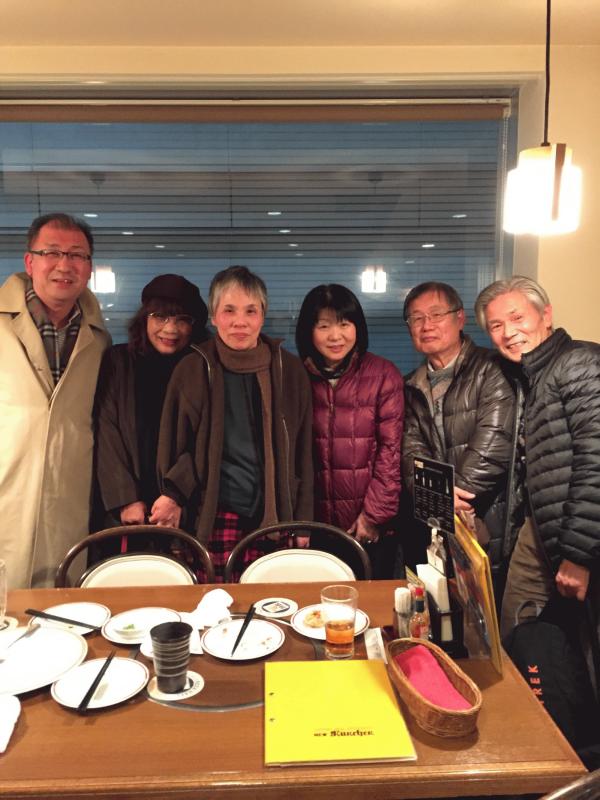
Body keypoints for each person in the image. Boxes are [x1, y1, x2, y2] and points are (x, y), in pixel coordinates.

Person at [157, 265, 313, 580]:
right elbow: (174, 446)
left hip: (275, 514)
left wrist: (303, 521)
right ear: (214, 316)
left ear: (262, 315)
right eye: (229, 310)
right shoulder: (193, 369)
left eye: (250, 311)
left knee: (274, 602)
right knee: (217, 602)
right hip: (214, 513)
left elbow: (303, 452)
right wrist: (172, 493)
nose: (240, 321)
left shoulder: (289, 369)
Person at [475, 276, 600, 637]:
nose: (508, 332)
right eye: (496, 326)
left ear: (546, 315)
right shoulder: (529, 377)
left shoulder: (578, 363)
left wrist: (578, 556)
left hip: (577, 540)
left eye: (517, 318)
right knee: (521, 636)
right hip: (542, 532)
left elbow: (595, 463)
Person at [0, 212, 110, 589]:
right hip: (8, 493)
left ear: (89, 267)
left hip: (68, 504)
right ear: (30, 261)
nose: (64, 265)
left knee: (60, 609)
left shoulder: (99, 339)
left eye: (76, 255)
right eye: (51, 252)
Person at [401, 281, 515, 586]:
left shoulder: (493, 368)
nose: (427, 325)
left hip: (488, 515)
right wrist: (439, 502)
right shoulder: (410, 385)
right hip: (435, 526)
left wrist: (449, 499)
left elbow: (494, 442)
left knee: (493, 605)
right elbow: (410, 453)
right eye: (416, 318)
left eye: (436, 315)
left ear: (460, 318)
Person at [295, 284, 404, 578]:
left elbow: (391, 451)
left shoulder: (383, 375)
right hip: (313, 529)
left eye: (344, 324)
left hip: (369, 528)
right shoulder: (296, 376)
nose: (336, 336)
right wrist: (299, 522)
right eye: (324, 326)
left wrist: (373, 516)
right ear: (309, 331)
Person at [94, 274, 209, 539]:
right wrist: (125, 497)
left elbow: (205, 440)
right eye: (160, 317)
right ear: (144, 318)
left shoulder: (202, 368)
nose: (170, 329)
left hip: (184, 506)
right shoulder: (118, 361)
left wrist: (175, 495)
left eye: (182, 320)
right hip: (124, 509)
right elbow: (106, 430)